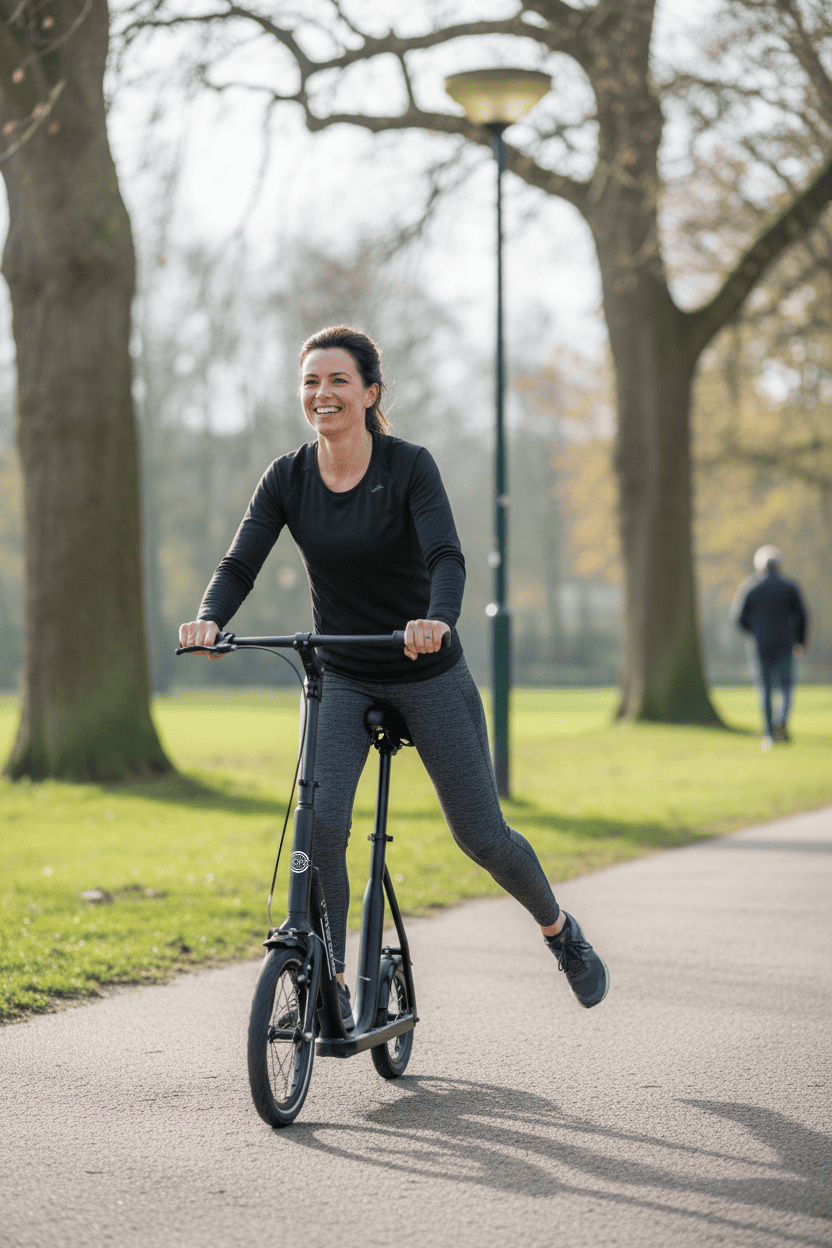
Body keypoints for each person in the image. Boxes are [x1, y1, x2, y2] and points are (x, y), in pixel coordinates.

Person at [179, 325, 609, 1026]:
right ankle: (329, 981)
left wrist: (436, 619)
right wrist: (208, 619)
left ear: (370, 393)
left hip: (424, 670)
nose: (322, 393)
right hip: (342, 674)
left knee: (481, 836)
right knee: (320, 828)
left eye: (338, 380)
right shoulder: (287, 477)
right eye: (310, 382)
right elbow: (239, 563)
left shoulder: (408, 466)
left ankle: (560, 931)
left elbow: (446, 557)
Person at [731, 545, 809, 750]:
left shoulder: (750, 587)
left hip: (760, 645)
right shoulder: (789, 587)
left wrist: (754, 632)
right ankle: (781, 719)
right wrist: (800, 642)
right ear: (779, 565)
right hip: (785, 643)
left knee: (765, 689)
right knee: (786, 686)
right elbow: (802, 616)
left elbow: (738, 618)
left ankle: (769, 734)